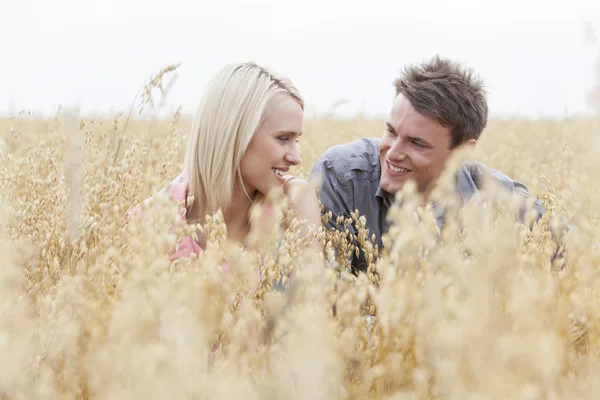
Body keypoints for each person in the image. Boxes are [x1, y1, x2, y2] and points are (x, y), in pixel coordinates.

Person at [309, 55, 554, 274]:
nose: (392, 154)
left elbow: (583, 261)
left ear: (461, 152)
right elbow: (325, 302)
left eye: (416, 143)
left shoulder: (499, 198)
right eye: (391, 132)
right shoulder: (342, 176)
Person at [126, 61, 323, 270]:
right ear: (236, 135)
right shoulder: (148, 224)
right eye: (283, 138)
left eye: (296, 140)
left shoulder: (294, 202)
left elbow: (312, 299)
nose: (296, 158)